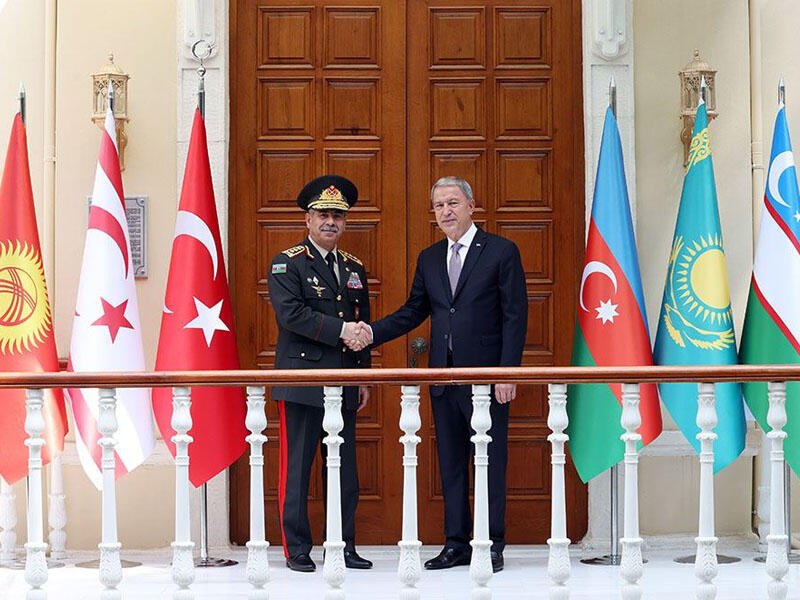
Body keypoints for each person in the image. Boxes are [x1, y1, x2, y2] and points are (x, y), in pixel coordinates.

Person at [351, 176, 527, 573]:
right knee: (451, 463)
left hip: (486, 380)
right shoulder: (430, 258)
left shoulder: (501, 251)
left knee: (490, 463)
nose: (446, 211)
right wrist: (372, 333)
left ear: (471, 206)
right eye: (439, 206)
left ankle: (491, 543)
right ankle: (455, 544)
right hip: (443, 380)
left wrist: (507, 372)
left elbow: (515, 316)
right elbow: (414, 311)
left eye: (453, 203)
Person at [267, 174, 373, 573]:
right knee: (297, 468)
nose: (330, 222)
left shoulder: (353, 267)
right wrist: (341, 330)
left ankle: (342, 545)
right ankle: (296, 548)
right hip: (302, 381)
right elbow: (291, 315)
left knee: (344, 469)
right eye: (323, 215)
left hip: (344, 381)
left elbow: (361, 321)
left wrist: (363, 376)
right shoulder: (287, 262)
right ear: (308, 219)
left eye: (337, 216)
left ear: (345, 222)